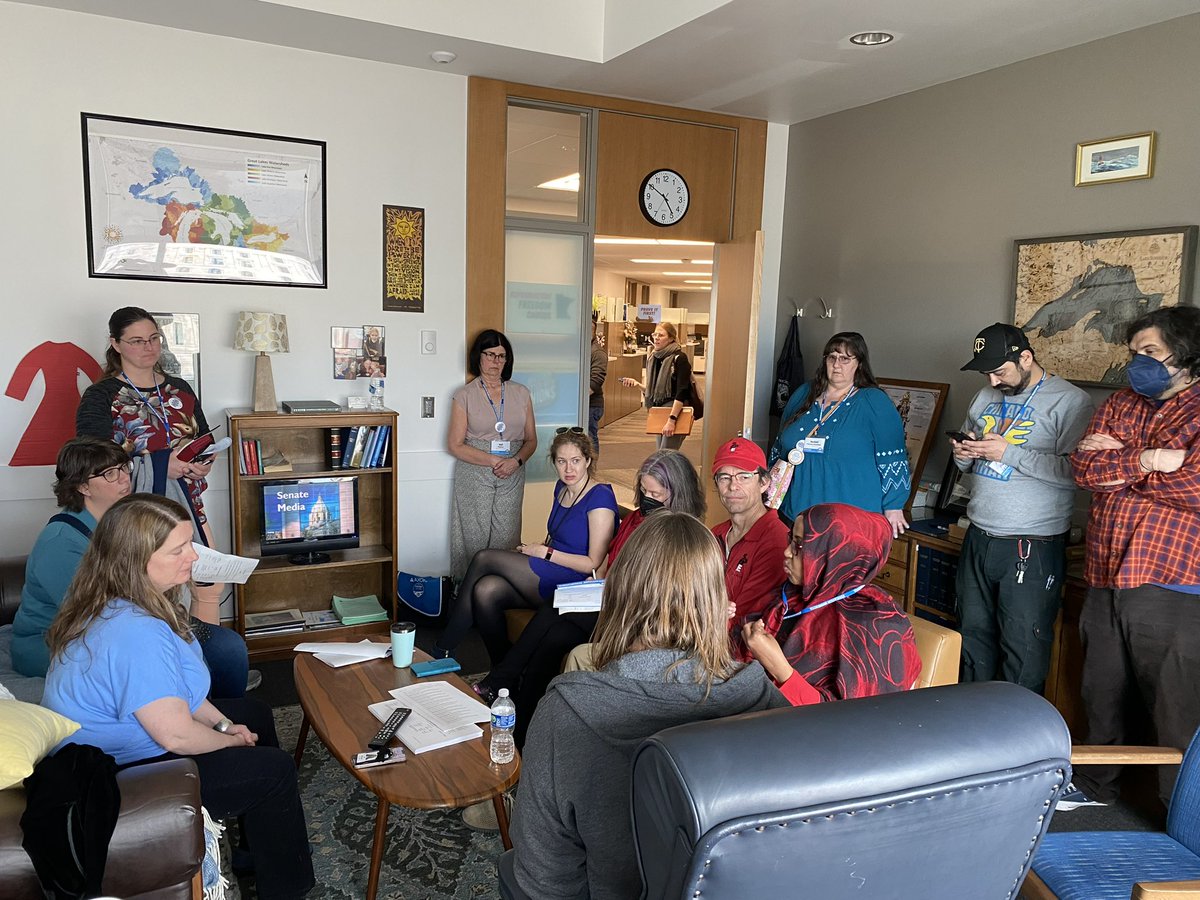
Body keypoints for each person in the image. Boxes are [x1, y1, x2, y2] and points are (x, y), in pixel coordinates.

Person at [41, 494, 314, 899]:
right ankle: (286, 888)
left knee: (253, 713)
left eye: (190, 545)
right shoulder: (134, 632)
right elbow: (175, 736)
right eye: (179, 550)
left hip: (125, 739)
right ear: (136, 560)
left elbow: (179, 690)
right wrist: (228, 740)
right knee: (274, 772)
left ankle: (254, 847)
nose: (193, 558)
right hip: (112, 773)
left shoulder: (124, 598)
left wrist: (224, 723)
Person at [509, 511, 789, 900]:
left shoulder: (565, 714)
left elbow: (542, 877)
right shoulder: (768, 702)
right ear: (716, 601)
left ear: (619, 593)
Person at [471, 448, 704, 745]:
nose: (647, 499)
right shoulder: (636, 520)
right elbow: (607, 563)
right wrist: (596, 588)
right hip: (608, 600)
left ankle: (504, 682)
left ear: (676, 493)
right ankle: (525, 726)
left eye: (655, 493)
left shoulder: (682, 535)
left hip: (632, 617)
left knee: (551, 611)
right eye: (643, 490)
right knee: (552, 639)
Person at [1070, 306, 1200, 806]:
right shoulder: (1121, 402)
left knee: (1176, 710)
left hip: (1173, 583)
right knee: (1100, 695)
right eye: (1134, 353)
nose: (1137, 363)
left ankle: (1181, 816)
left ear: (1187, 355)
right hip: (1104, 574)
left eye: (1150, 352)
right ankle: (1094, 791)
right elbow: (1084, 469)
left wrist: (1119, 462)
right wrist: (1151, 459)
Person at [13, 437, 251, 698]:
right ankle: (196, 718)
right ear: (83, 486)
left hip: (132, 619)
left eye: (124, 467)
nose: (124, 479)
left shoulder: (122, 519)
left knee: (229, 646)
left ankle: (223, 712)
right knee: (189, 658)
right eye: (110, 474)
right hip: (61, 640)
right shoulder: (60, 543)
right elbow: (94, 612)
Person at [951, 323, 1093, 693]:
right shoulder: (984, 397)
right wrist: (963, 454)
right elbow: (969, 465)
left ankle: (1017, 741)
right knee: (972, 639)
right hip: (979, 535)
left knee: (1022, 649)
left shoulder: (1071, 402)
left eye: (1000, 372)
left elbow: (1077, 473)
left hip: (1032, 544)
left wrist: (1008, 453)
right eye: (987, 373)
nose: (993, 382)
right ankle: (970, 731)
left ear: (1026, 358)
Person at [75, 307, 232, 637]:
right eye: (136, 341)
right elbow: (93, 461)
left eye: (153, 338)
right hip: (135, 516)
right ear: (115, 344)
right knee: (150, 596)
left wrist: (203, 460)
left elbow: (201, 436)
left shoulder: (180, 388)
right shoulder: (101, 395)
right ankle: (167, 670)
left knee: (209, 586)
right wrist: (163, 463)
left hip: (187, 505)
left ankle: (208, 665)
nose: (148, 347)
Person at [435, 428, 617, 664]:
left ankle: (443, 648)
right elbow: (558, 535)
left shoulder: (600, 496)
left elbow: (592, 563)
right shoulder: (561, 489)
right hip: (551, 566)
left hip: (573, 579)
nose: (569, 469)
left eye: (576, 461)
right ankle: (501, 671)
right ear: (554, 462)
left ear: (588, 461)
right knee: (486, 590)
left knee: (484, 558)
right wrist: (540, 548)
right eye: (562, 461)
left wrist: (546, 553)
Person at [741, 502, 921, 705]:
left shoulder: (875, 625)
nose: (787, 553)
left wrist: (779, 668)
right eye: (791, 540)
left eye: (800, 546)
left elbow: (849, 721)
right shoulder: (795, 595)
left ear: (837, 552)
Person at [769, 331, 911, 537]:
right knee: (792, 568)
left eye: (845, 358)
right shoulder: (803, 394)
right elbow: (780, 446)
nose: (837, 364)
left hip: (848, 522)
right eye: (832, 357)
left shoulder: (873, 402)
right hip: (794, 515)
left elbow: (894, 457)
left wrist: (894, 505)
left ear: (859, 364)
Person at [448, 329, 537, 582]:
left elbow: (531, 440)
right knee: (473, 536)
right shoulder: (464, 394)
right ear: (479, 356)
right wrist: (493, 460)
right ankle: (466, 591)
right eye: (490, 355)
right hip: (475, 470)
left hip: (513, 471)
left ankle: (500, 591)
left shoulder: (521, 393)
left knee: (506, 536)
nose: (496, 362)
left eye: (502, 356)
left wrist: (515, 461)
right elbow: (454, 445)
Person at [710, 437, 791, 651]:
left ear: (764, 483)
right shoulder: (713, 534)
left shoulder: (776, 541)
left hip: (738, 656)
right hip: (702, 639)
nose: (732, 486)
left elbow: (745, 622)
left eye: (744, 476)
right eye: (724, 477)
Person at [619, 321, 693, 450]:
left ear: (671, 338)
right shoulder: (654, 358)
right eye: (655, 334)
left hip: (675, 411)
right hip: (659, 410)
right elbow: (654, 391)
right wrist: (637, 385)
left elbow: (682, 391)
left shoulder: (679, 358)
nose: (656, 338)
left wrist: (672, 420)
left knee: (666, 453)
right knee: (661, 452)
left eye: (661, 335)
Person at [588, 314, 607, 452]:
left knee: (589, 437)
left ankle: (591, 468)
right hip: (584, 404)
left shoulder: (597, 352)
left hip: (591, 404)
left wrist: (578, 399)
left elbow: (595, 381)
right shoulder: (581, 350)